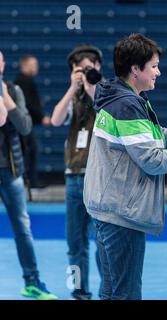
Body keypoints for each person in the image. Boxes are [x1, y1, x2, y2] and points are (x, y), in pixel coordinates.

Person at [83, 33, 167, 300]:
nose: (158, 72)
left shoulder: (121, 98)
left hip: (107, 209)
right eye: (153, 66)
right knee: (126, 294)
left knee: (111, 291)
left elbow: (158, 137)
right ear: (136, 69)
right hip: (122, 215)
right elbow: (153, 160)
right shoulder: (127, 105)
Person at [0, 50, 57, 300]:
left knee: (23, 228)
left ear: (3, 64)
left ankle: (32, 281)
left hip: (10, 171)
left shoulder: (13, 90)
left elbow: (24, 126)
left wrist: (3, 94)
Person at [50, 44, 103, 300]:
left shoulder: (107, 93)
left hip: (100, 179)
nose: (83, 72)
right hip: (73, 176)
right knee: (75, 244)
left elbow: (106, 112)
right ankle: (79, 292)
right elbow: (55, 120)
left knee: (104, 243)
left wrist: (91, 86)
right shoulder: (72, 96)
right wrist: (73, 87)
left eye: (88, 68)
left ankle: (110, 291)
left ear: (98, 67)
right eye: (78, 68)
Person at [14, 55, 51, 188]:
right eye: (34, 64)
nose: (37, 67)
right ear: (25, 65)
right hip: (24, 124)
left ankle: (28, 180)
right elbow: (28, 104)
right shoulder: (24, 81)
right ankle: (30, 181)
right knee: (30, 150)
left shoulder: (23, 81)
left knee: (29, 150)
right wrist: (42, 117)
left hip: (25, 123)